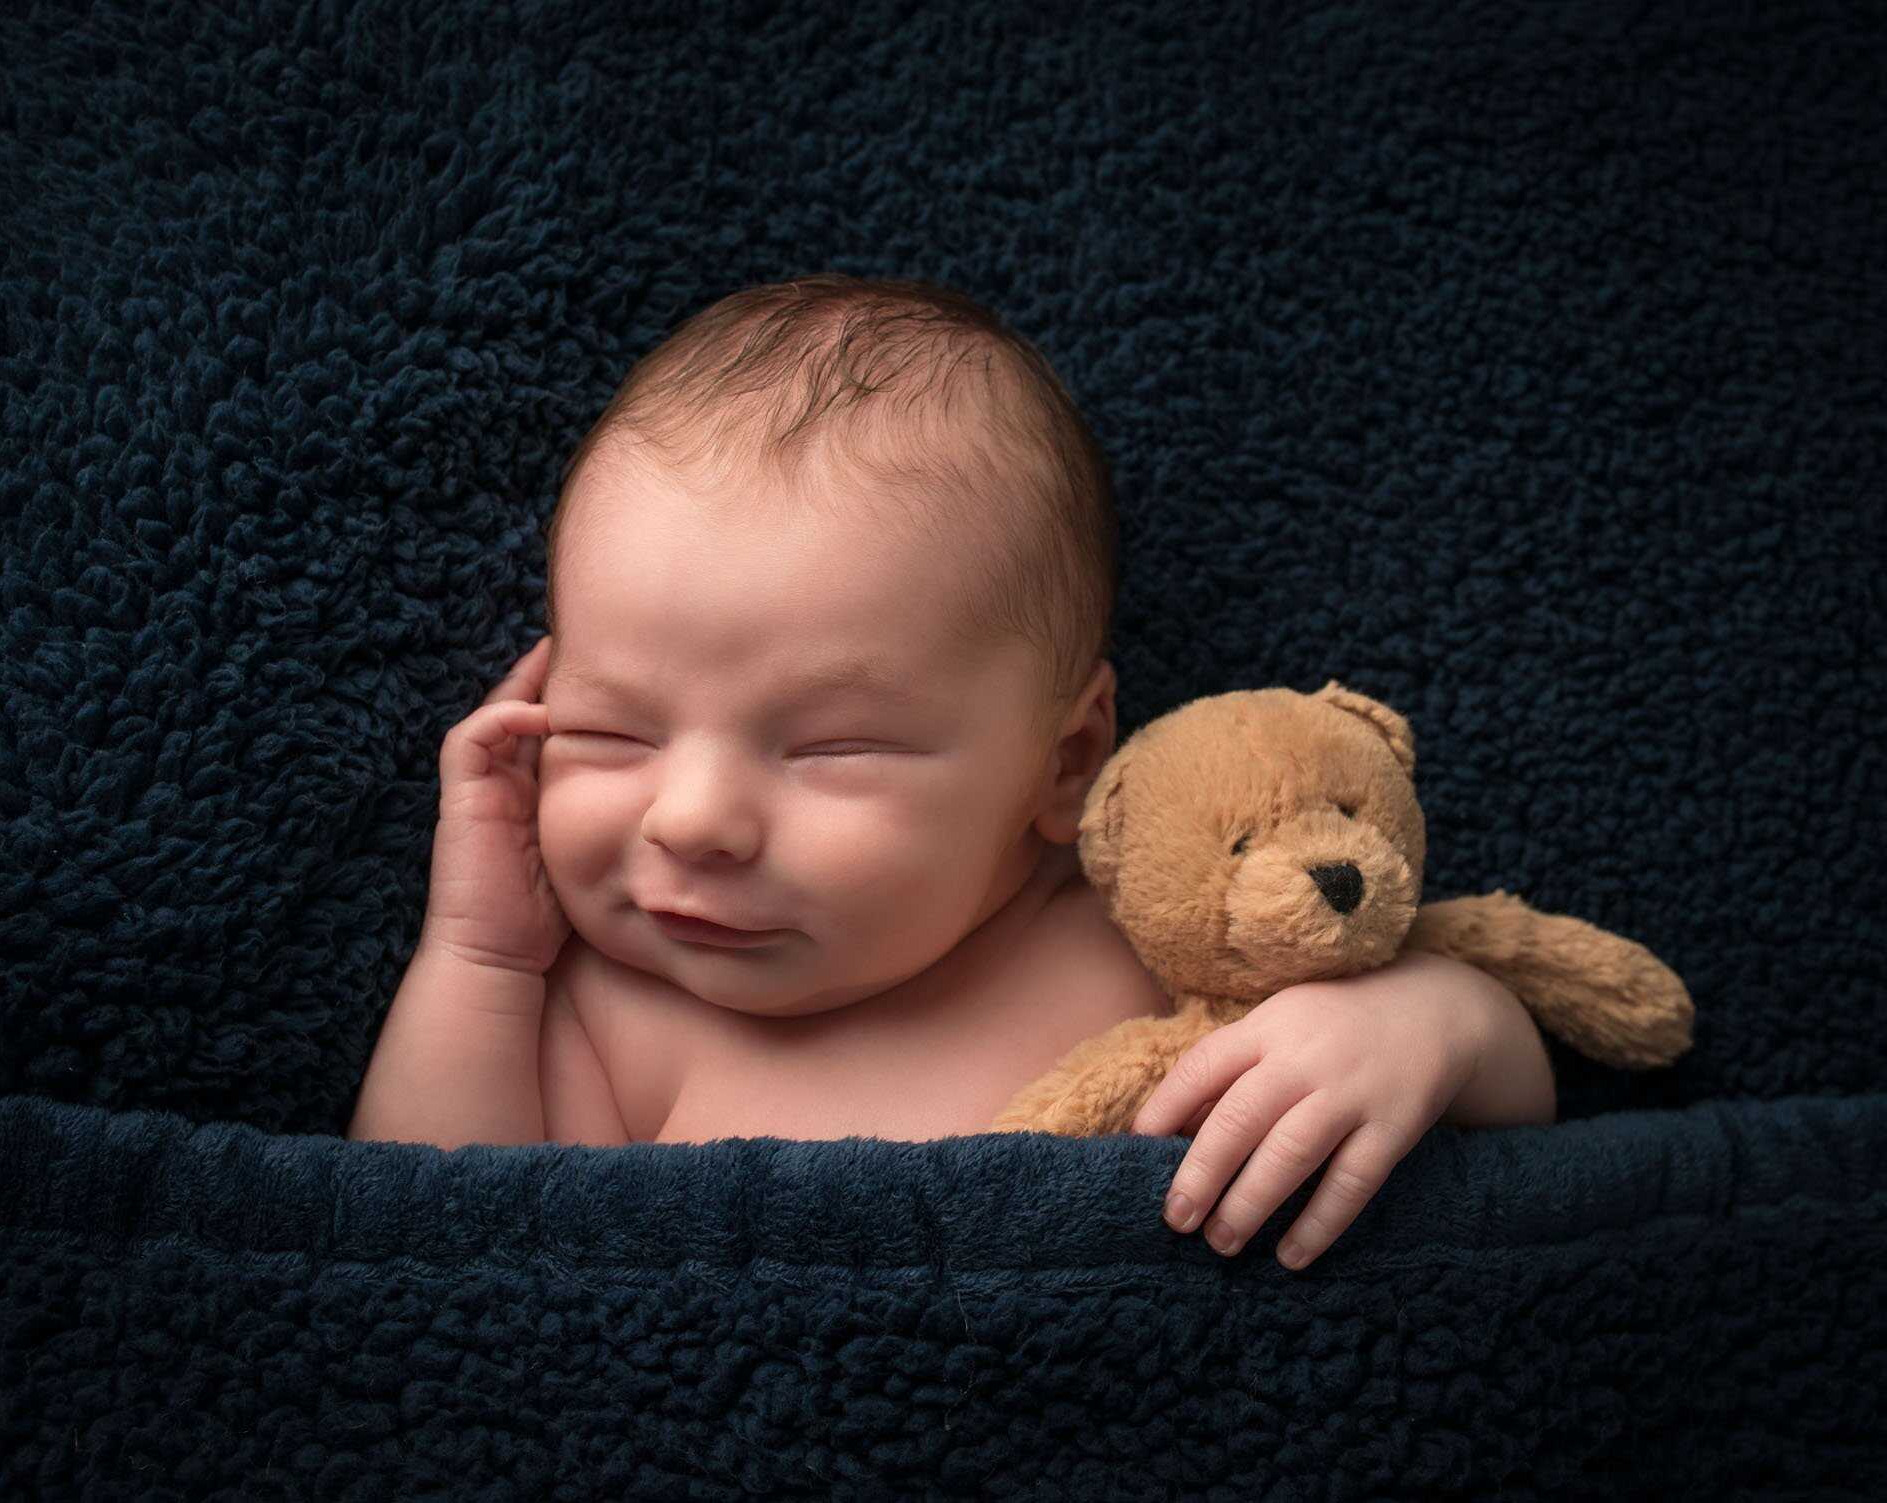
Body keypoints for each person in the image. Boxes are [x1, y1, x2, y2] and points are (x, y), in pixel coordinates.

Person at [348, 273, 1555, 1269]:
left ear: (1066, 760)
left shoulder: (1138, 950)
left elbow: (1519, 1103)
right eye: (609, 733)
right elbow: (419, 1255)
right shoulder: (612, 1021)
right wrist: (480, 958)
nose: (694, 819)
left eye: (830, 749)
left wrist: (1424, 1027)